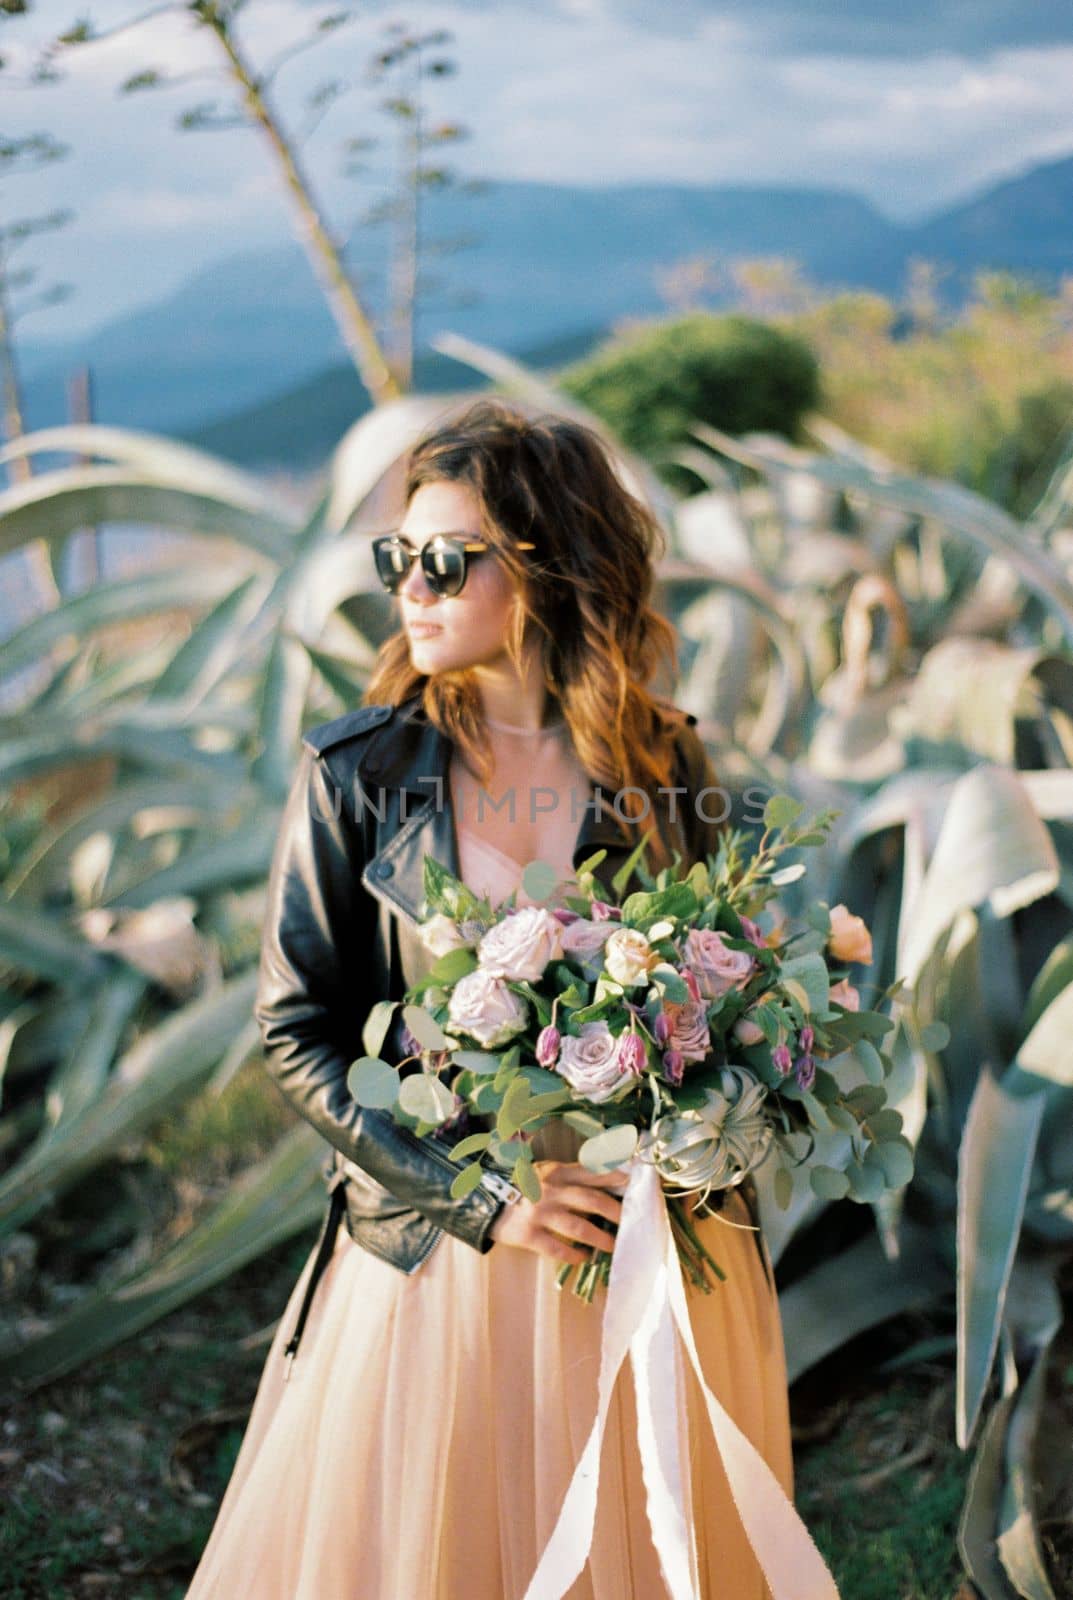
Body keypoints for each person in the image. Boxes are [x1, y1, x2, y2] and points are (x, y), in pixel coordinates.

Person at [184, 398, 795, 1600]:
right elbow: (296, 1026)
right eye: (396, 557)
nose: (410, 586)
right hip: (447, 1267)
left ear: (547, 570)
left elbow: (725, 987)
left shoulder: (660, 760)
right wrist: (485, 1191)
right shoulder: (356, 774)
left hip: (644, 1248)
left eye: (445, 560)